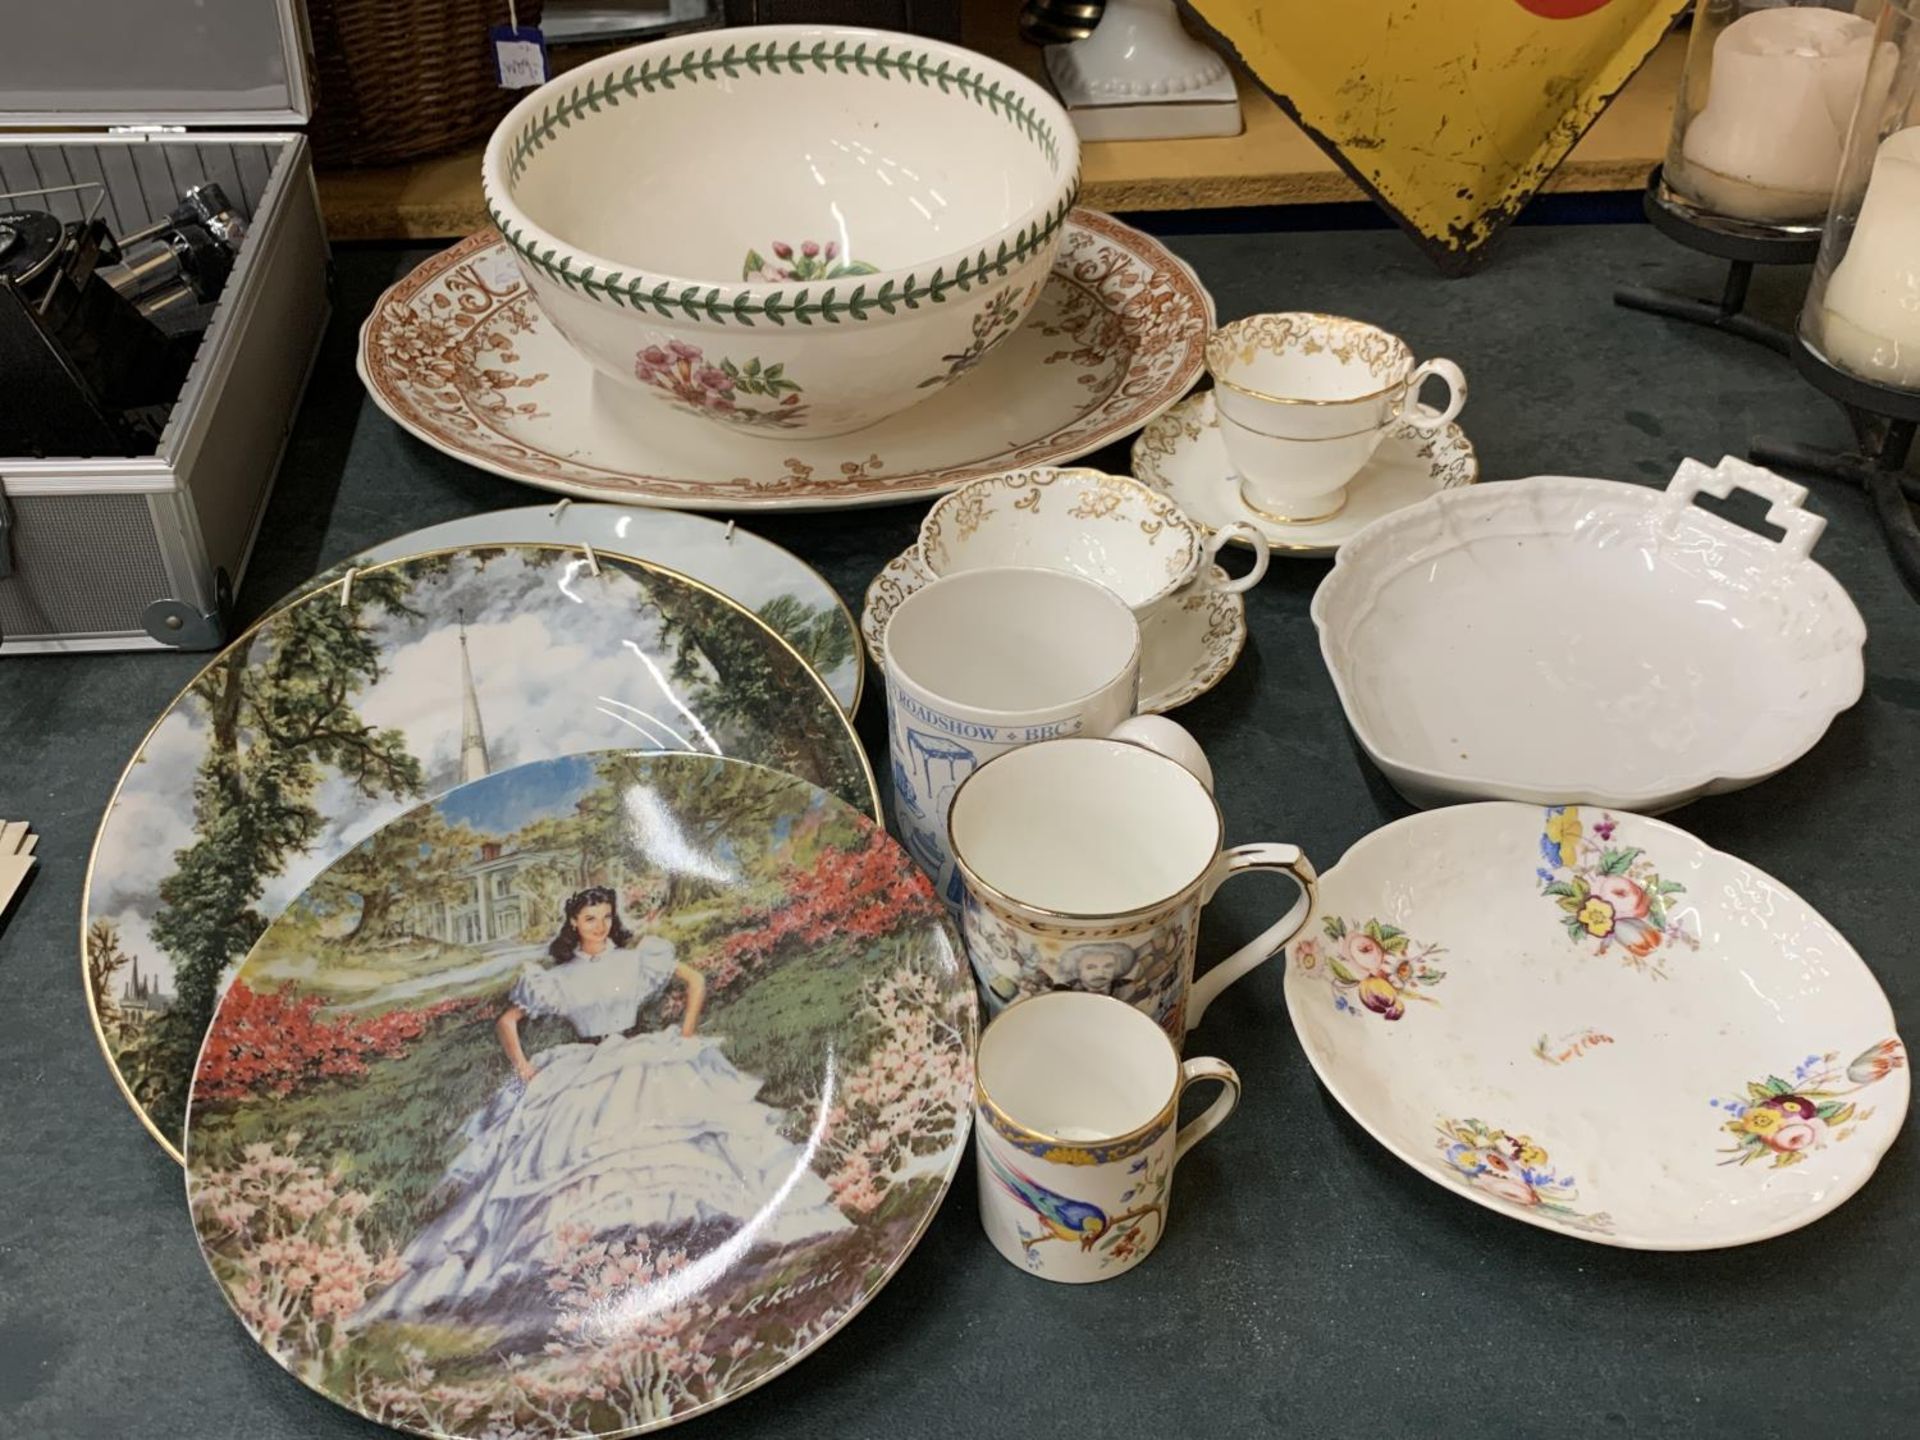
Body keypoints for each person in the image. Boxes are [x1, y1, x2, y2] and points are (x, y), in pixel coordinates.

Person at [358, 885, 849, 1327]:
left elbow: (695, 981)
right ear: (574, 922)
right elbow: (508, 1022)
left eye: (607, 916)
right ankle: (604, 1264)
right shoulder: (558, 977)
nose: (601, 925)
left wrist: (685, 1034)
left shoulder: (638, 959)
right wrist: (524, 1068)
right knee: (573, 1157)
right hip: (586, 1063)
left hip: (640, 1054)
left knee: (676, 1140)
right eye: (591, 918)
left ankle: (695, 1243)